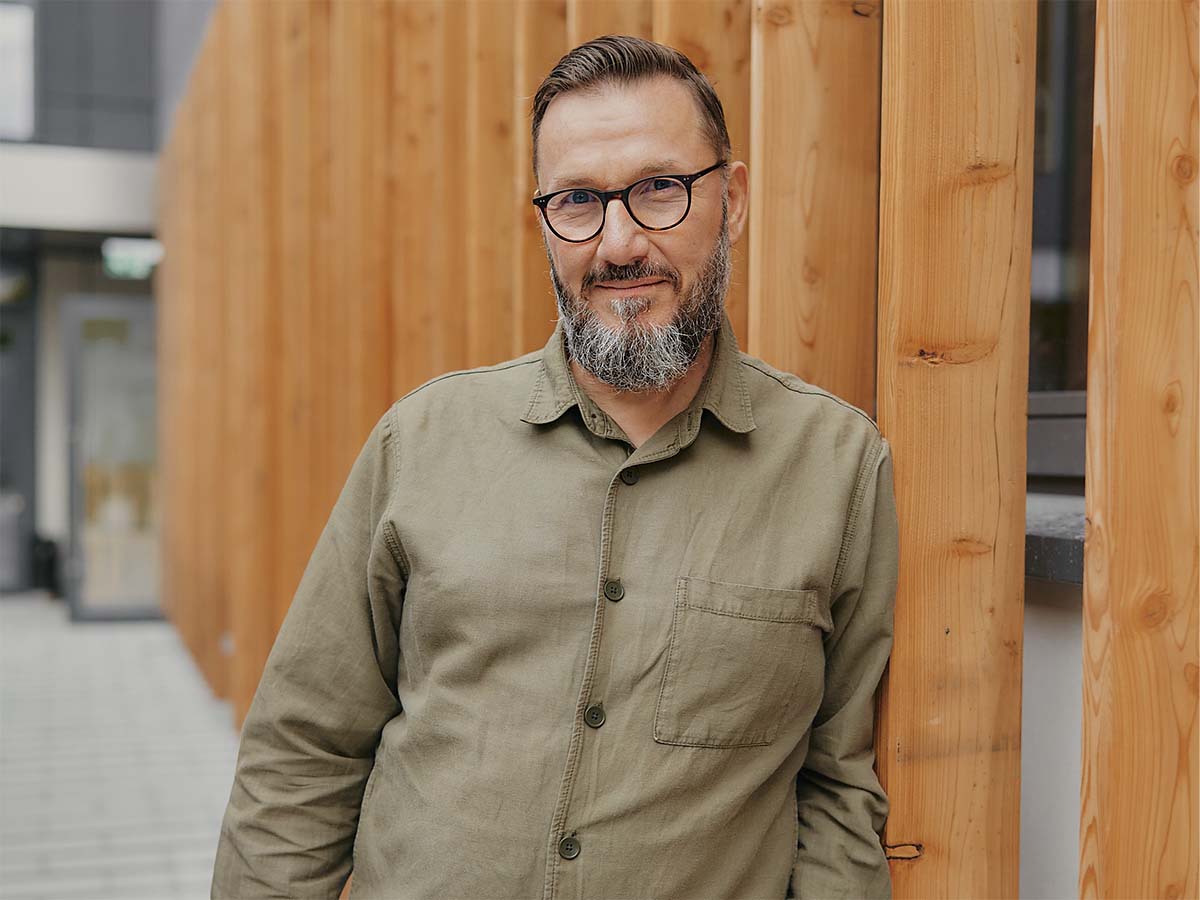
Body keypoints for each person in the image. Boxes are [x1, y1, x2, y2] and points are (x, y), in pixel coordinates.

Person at [212, 33, 898, 900]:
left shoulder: (837, 468)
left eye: (659, 189)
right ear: (544, 221)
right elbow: (302, 751)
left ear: (733, 200)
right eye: (577, 200)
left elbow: (837, 791)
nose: (617, 244)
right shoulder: (421, 442)